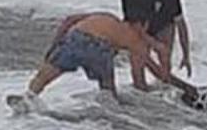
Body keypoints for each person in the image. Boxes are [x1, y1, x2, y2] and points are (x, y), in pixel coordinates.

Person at [14, 12, 166, 107]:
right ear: (143, 26)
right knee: (108, 90)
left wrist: (54, 46)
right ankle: (110, 115)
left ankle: (28, 97)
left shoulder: (107, 17)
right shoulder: (135, 40)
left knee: (45, 76)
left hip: (76, 37)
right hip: (99, 47)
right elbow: (152, 67)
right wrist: (170, 79)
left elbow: (69, 20)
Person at [120, 0, 193, 87]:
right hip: (137, 27)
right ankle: (140, 90)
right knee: (138, 62)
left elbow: (180, 23)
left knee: (165, 57)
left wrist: (186, 55)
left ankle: (165, 86)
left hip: (162, 24)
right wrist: (155, 45)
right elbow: (135, 27)